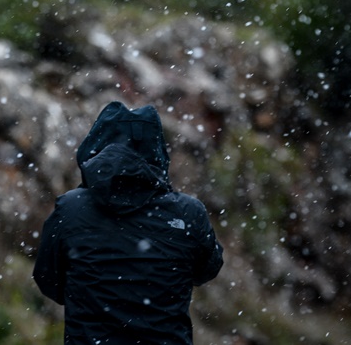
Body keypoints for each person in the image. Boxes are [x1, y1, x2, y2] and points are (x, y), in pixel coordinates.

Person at [34, 101, 223, 344]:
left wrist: (91, 294)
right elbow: (208, 269)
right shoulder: (188, 213)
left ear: (96, 145)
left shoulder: (70, 209)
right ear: (158, 151)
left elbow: (48, 279)